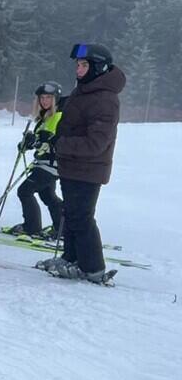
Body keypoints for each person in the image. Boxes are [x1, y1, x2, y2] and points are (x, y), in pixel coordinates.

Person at [35, 43, 126, 282]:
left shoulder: (105, 99)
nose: (78, 69)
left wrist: (61, 145)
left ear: (98, 68)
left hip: (88, 168)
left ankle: (92, 267)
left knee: (82, 217)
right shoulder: (85, 90)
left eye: (84, 65)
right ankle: (71, 257)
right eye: (78, 64)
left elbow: (96, 142)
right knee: (71, 213)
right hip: (72, 166)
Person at [3, 81, 64, 239]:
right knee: (48, 195)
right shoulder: (45, 117)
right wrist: (27, 143)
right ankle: (62, 228)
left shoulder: (58, 116)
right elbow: (39, 140)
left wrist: (39, 142)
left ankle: (32, 227)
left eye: (48, 97)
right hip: (43, 164)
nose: (44, 101)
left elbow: (51, 140)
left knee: (25, 191)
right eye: (42, 97)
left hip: (51, 165)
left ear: (55, 99)